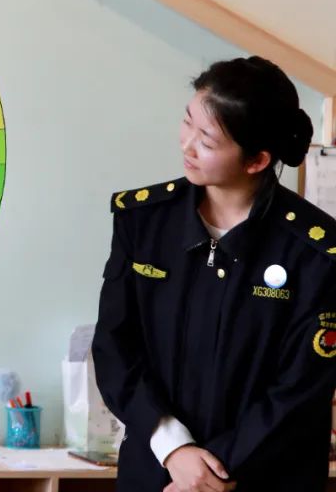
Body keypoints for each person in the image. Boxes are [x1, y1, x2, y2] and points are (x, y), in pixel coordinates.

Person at [93, 56, 336, 492]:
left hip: (265, 478)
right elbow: (115, 347)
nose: (187, 145)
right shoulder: (143, 222)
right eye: (187, 122)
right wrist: (175, 449)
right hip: (159, 473)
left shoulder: (316, 251)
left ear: (256, 160)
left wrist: (210, 473)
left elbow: (300, 391)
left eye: (206, 140)